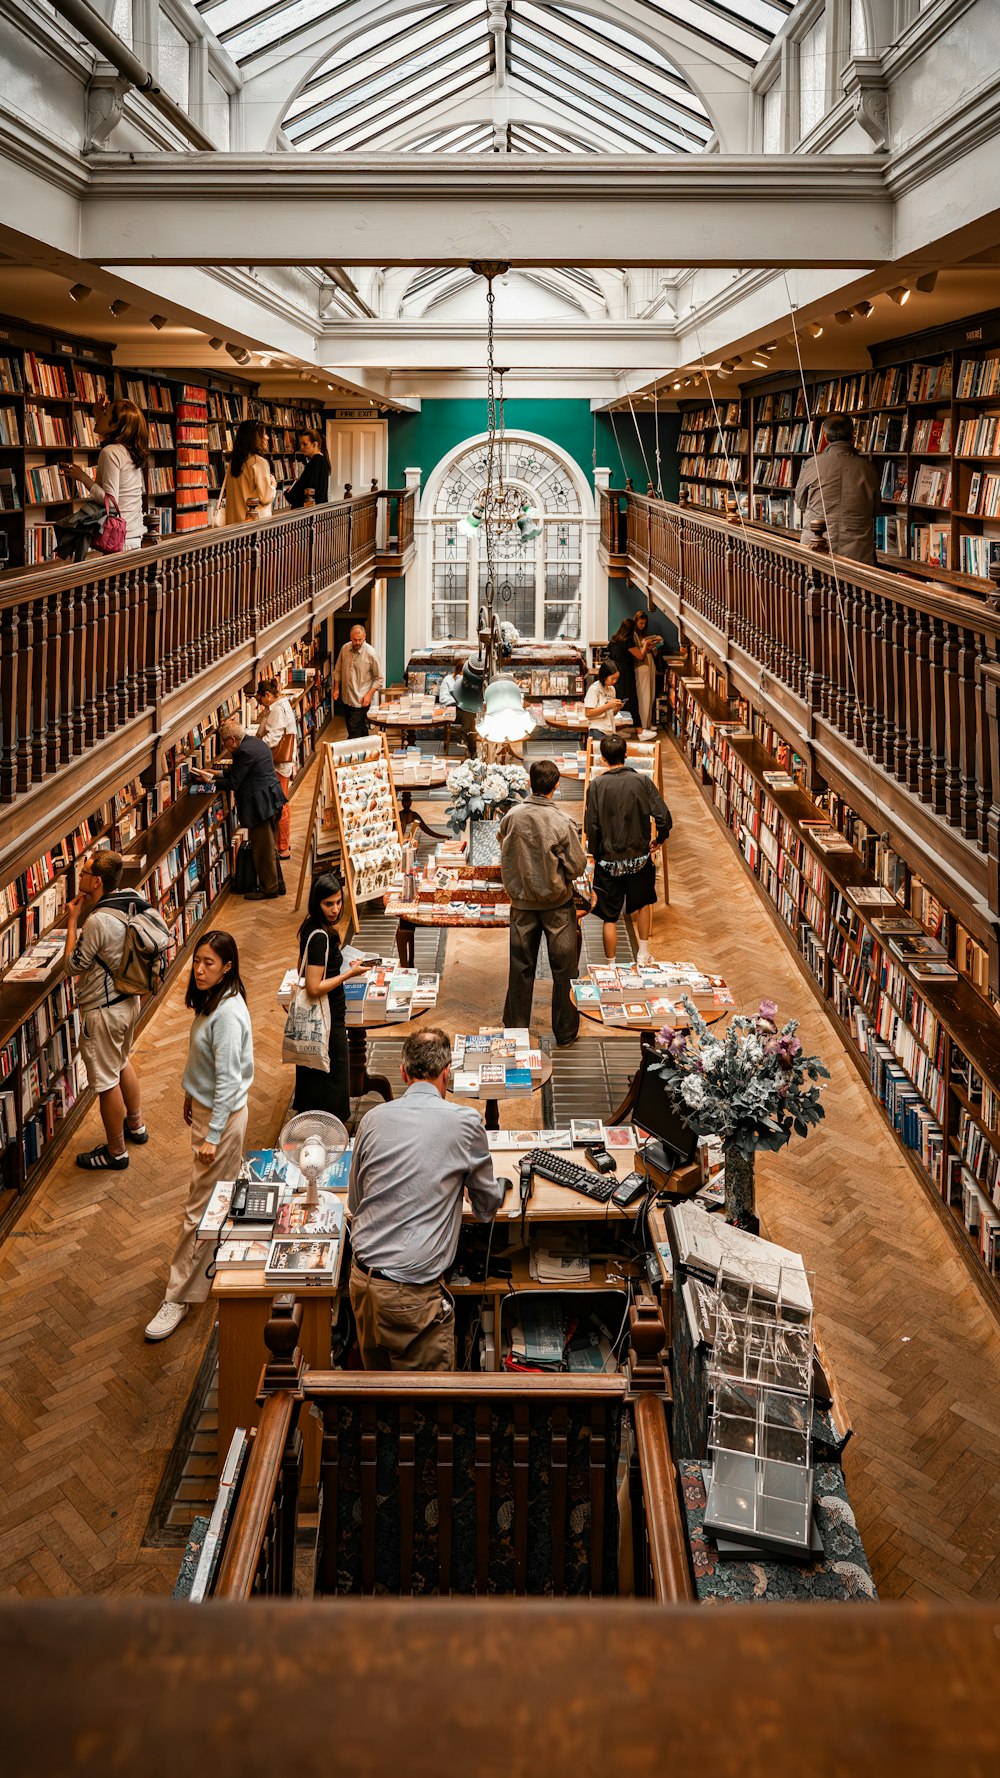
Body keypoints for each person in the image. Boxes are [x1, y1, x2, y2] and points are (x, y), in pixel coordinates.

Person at [348, 1027, 503, 1370]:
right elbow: (487, 1206)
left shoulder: (371, 1119)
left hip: (361, 1282)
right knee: (426, 1403)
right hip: (411, 1295)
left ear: (403, 1072)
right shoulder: (464, 1121)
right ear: (448, 1072)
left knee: (379, 1389)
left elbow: (356, 1204)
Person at [145, 932, 253, 1342]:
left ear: (227, 966)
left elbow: (227, 1081)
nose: (199, 969)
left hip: (220, 1120)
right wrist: (192, 1094)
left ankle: (178, 1296)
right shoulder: (216, 1000)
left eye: (209, 962)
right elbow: (205, 1062)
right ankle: (214, 1265)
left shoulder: (225, 1013)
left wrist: (211, 1133)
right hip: (211, 1111)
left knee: (198, 1208)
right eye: (197, 961)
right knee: (214, 1196)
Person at [63, 850, 151, 1170]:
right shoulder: (132, 896)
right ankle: (136, 1126)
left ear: (96, 881)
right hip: (130, 1001)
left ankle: (116, 1152)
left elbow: (73, 965)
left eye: (84, 873)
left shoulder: (96, 921)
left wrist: (73, 922)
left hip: (104, 1011)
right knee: (122, 1061)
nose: (81, 877)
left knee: (105, 1081)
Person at [498, 758, 587, 1047]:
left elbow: (502, 841)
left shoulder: (512, 815)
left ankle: (516, 1027)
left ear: (529, 783)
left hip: (522, 904)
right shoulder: (561, 821)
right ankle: (564, 1031)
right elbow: (577, 866)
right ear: (557, 785)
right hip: (557, 906)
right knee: (564, 970)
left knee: (520, 966)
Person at [584, 732, 672, 965]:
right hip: (639, 858)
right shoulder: (642, 781)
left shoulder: (596, 786)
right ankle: (643, 954)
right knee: (643, 904)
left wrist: (596, 852)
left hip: (608, 861)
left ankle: (611, 964)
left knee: (609, 916)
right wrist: (660, 839)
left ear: (603, 758)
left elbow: (591, 825)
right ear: (627, 755)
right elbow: (663, 816)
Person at [292, 872, 367, 1123]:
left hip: (320, 1019)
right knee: (332, 1080)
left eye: (338, 902)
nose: (335, 909)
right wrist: (350, 973)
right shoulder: (320, 938)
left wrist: (342, 966)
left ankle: (314, 1124)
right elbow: (313, 986)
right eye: (328, 904)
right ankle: (330, 1130)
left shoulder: (311, 927)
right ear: (317, 902)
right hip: (327, 1019)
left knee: (316, 1075)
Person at [191, 718, 286, 899]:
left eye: (225, 743)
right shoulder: (255, 743)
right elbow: (242, 771)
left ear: (232, 740)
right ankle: (277, 884)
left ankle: (270, 889)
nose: (225, 747)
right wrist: (216, 773)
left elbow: (234, 782)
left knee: (262, 850)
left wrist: (209, 781)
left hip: (261, 806)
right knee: (269, 847)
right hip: (272, 799)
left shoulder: (243, 752)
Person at [58, 396, 147, 551]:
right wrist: (98, 414)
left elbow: (111, 503)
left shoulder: (110, 452)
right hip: (133, 535)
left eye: (105, 413)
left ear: (115, 425)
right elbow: (107, 431)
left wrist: (83, 478)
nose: (99, 416)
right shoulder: (128, 451)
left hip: (119, 540)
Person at [794, 415, 880, 564]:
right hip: (857, 552)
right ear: (852, 435)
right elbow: (875, 509)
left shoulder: (811, 464)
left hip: (816, 545)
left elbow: (800, 502)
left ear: (825, 436)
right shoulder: (868, 468)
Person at [255, 677, 297, 860]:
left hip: (278, 764)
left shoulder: (277, 711)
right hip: (282, 764)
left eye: (260, 700)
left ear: (267, 695)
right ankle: (282, 842)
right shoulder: (281, 705)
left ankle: (283, 846)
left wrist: (255, 747)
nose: (261, 704)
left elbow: (272, 739)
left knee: (281, 805)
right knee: (281, 802)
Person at [332, 621, 384, 738]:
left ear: (364, 637)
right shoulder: (344, 649)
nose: (357, 642)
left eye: (360, 639)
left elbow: (379, 678)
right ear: (350, 637)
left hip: (361, 700)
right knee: (359, 728)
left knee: (353, 732)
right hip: (346, 698)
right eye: (355, 639)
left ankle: (351, 754)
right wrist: (336, 689)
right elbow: (338, 670)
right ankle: (367, 751)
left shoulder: (371, 653)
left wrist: (369, 695)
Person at [223, 419, 276, 524]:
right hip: (254, 524)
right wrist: (273, 485)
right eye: (264, 434)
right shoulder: (258, 462)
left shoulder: (233, 463)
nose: (267, 437)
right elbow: (265, 497)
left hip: (234, 523)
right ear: (255, 438)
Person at [284, 430, 330, 508]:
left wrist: (290, 494)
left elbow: (308, 488)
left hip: (310, 511)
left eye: (305, 444)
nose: (301, 447)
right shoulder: (322, 461)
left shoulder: (316, 462)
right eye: (301, 444)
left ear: (314, 444)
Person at [584, 659, 624, 738]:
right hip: (597, 730)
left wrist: (618, 708)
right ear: (605, 676)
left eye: (616, 679)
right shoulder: (594, 689)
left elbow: (611, 713)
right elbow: (588, 713)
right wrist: (608, 705)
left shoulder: (612, 689)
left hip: (610, 730)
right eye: (612, 678)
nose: (615, 681)